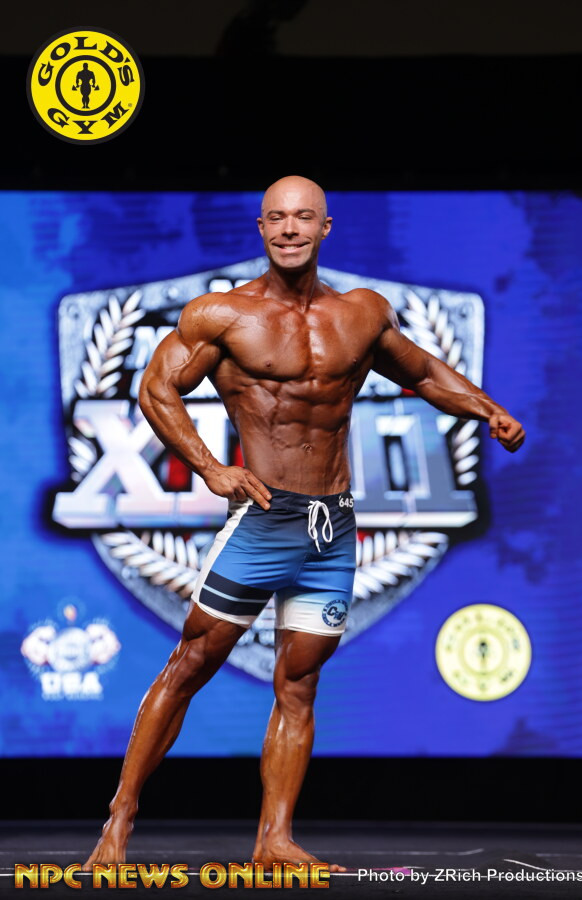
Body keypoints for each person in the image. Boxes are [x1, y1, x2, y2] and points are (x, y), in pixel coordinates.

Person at [84, 176, 525, 871]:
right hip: (264, 520)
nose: (290, 229)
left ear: (325, 227)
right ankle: (119, 819)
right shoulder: (223, 316)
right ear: (261, 228)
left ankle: (275, 838)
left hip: (333, 527)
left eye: (303, 217)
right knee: (192, 663)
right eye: (278, 218)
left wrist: (487, 408)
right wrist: (209, 467)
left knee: (299, 684)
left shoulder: (362, 314)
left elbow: (425, 372)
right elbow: (155, 388)